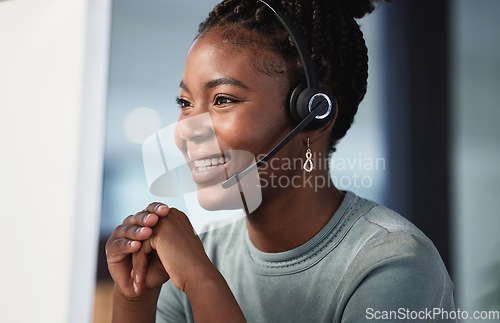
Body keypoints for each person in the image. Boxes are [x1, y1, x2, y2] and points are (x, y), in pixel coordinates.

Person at [106, 0, 456, 322]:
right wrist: (136, 297)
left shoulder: (394, 265)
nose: (186, 130)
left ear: (313, 115)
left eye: (222, 99)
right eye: (185, 102)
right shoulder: (204, 251)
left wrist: (202, 282)